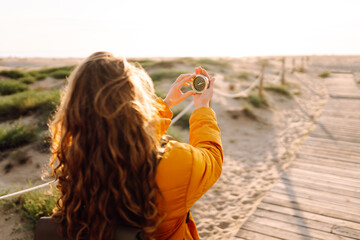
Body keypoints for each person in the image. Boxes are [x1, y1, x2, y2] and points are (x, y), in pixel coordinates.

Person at [48, 52, 223, 240]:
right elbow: (212, 157)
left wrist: (167, 103)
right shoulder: (177, 163)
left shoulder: (75, 159)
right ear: (136, 100)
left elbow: (121, 139)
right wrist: (203, 107)